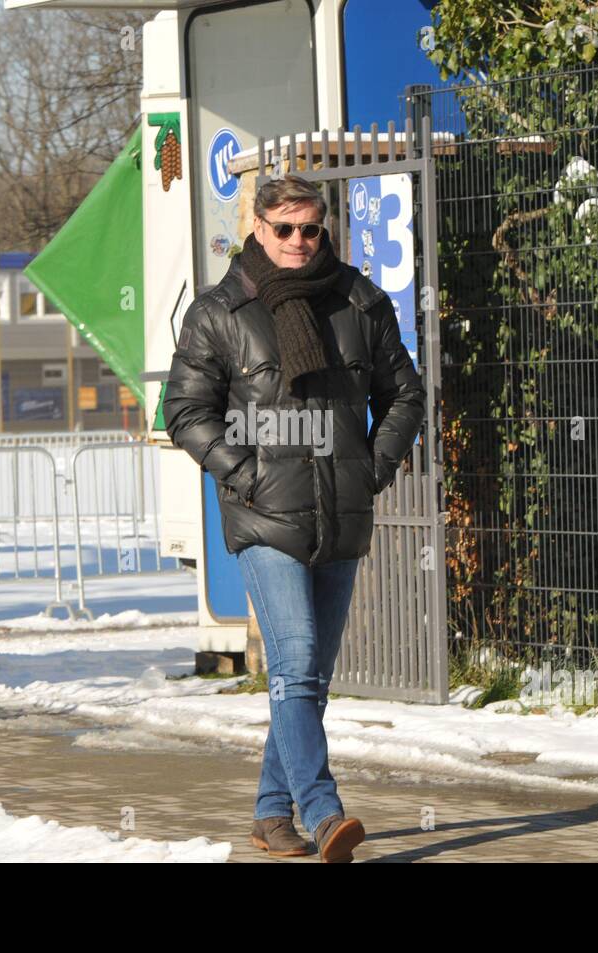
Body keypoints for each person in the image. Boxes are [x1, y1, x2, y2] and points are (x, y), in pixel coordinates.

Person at [162, 173, 426, 862]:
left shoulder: (360, 302)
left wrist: (375, 467)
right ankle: (323, 808)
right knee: (299, 659)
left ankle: (270, 815)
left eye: (310, 229)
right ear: (258, 226)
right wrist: (244, 474)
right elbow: (185, 412)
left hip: (340, 510)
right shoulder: (219, 312)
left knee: (306, 674)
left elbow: (405, 394)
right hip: (264, 515)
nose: (299, 242)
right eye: (285, 229)